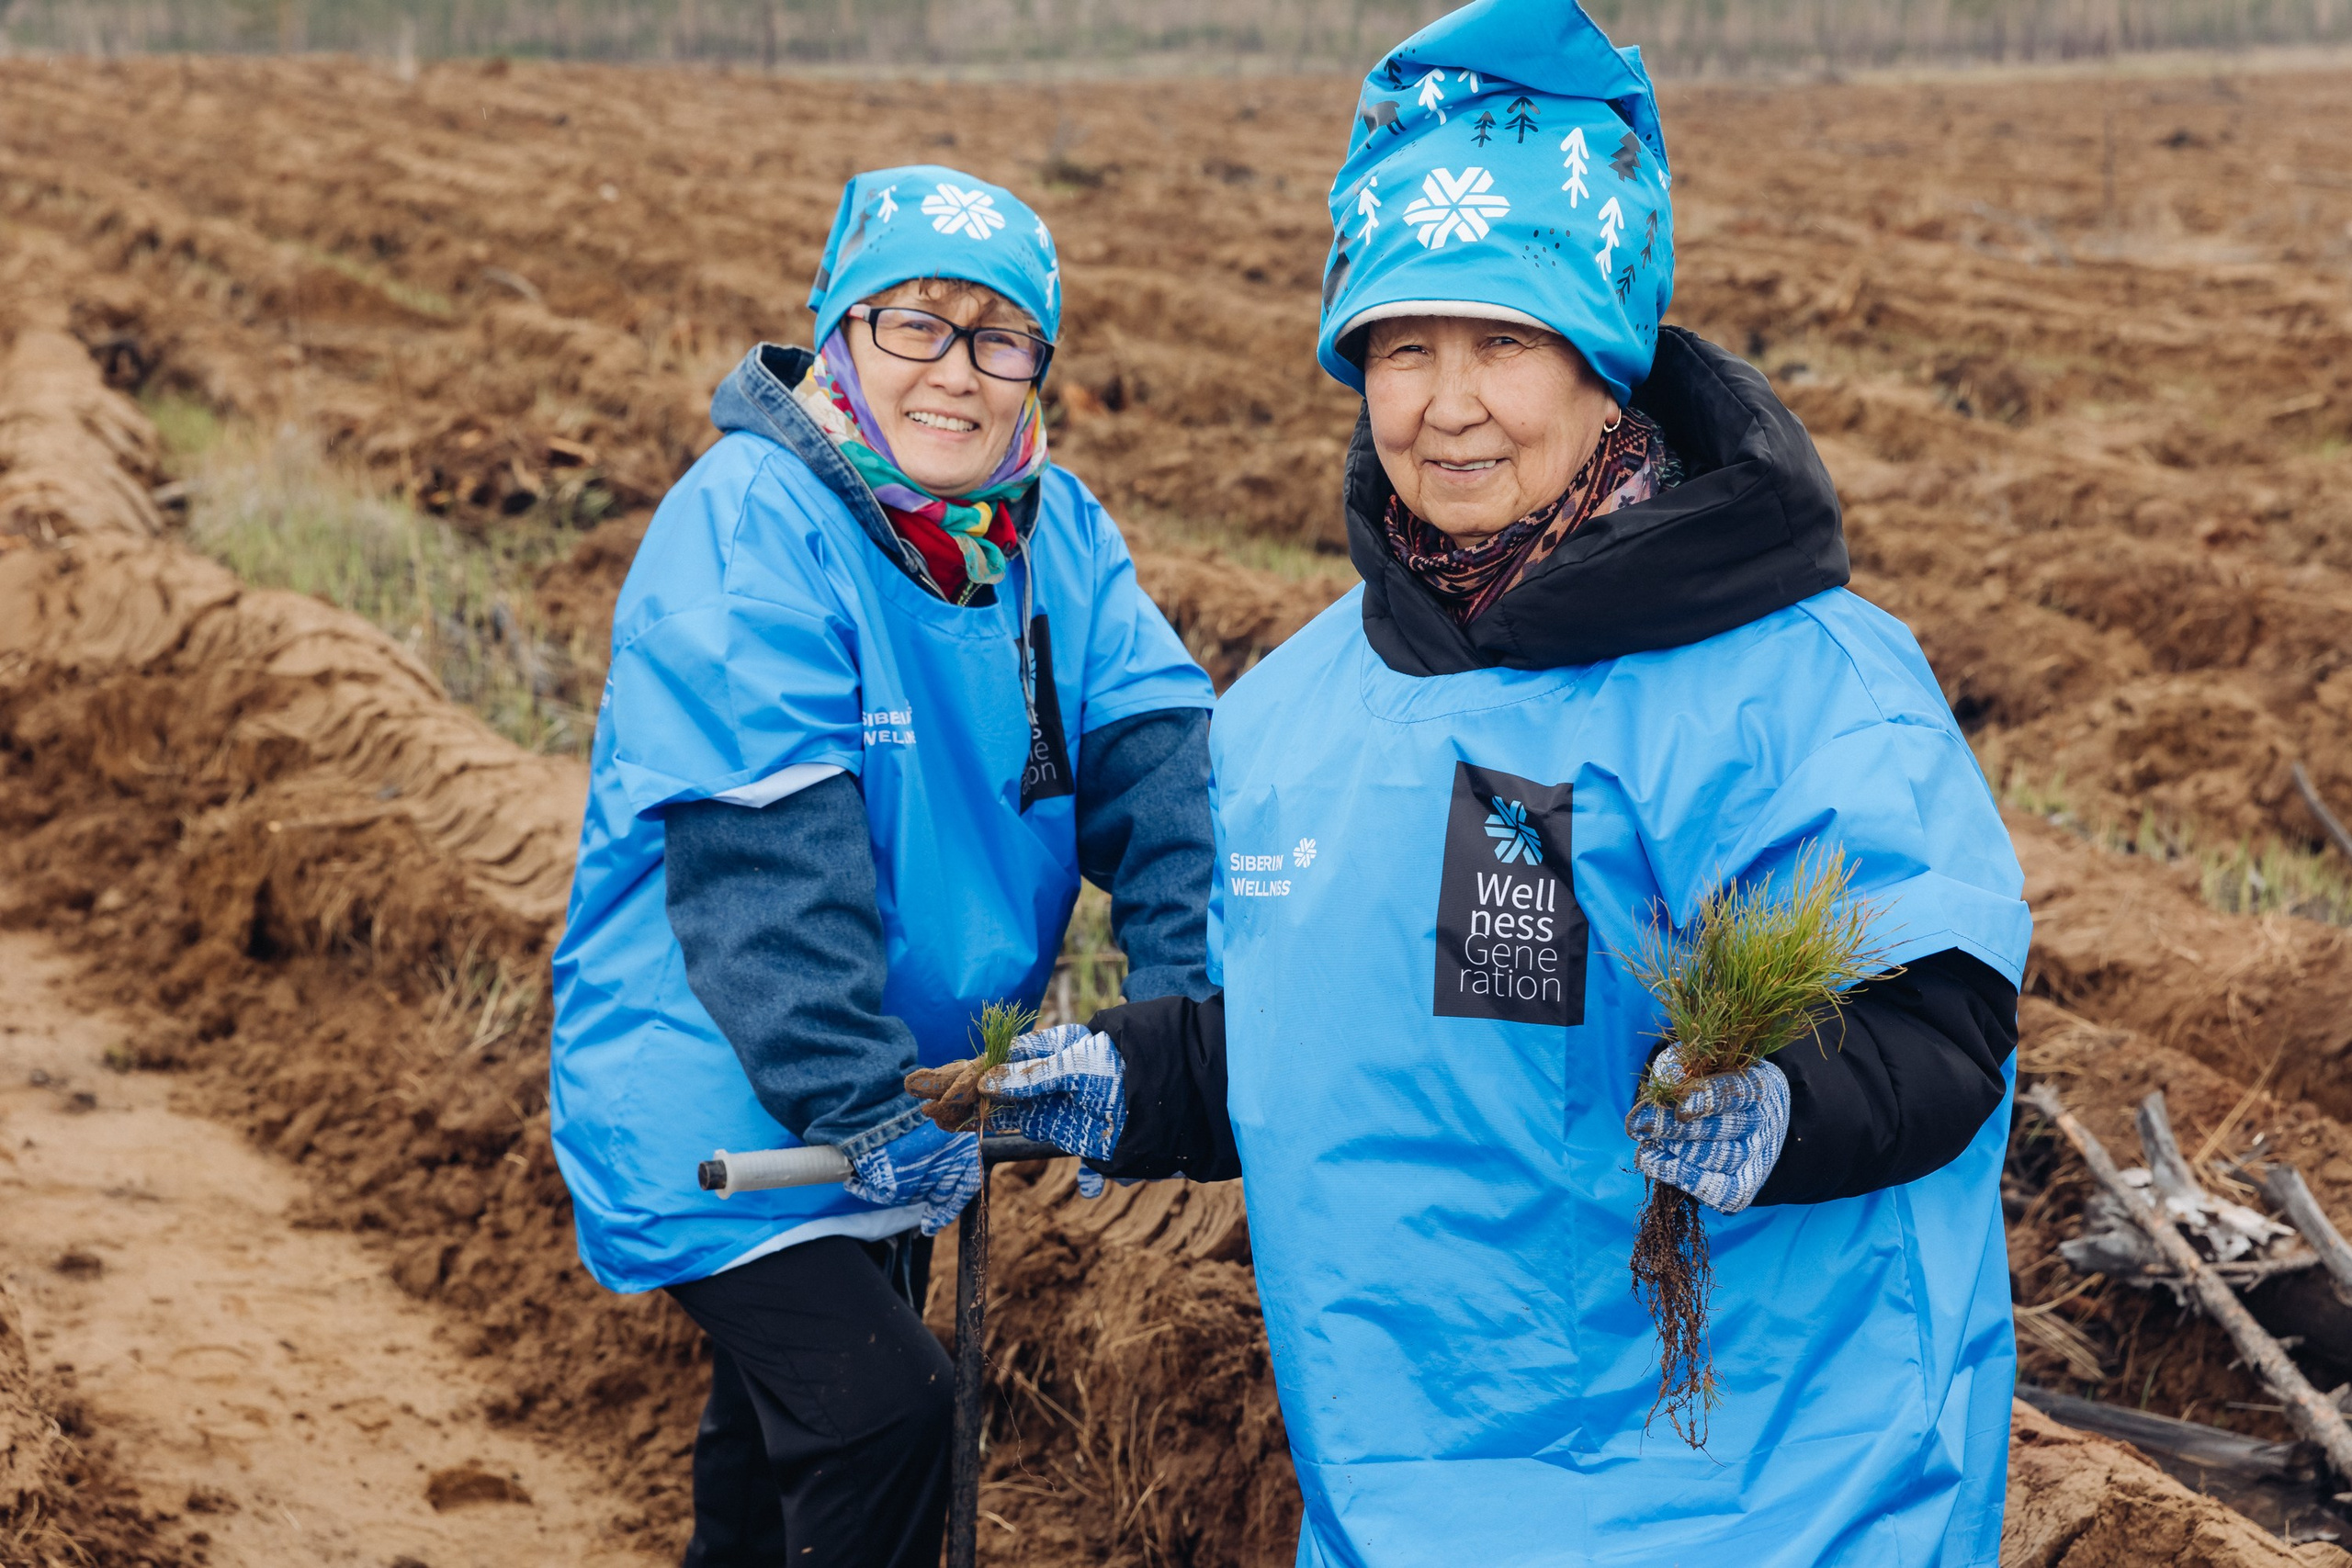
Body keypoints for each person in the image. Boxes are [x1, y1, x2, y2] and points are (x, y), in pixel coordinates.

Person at [910, 5, 2030, 1563]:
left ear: (1603, 361)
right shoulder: (1304, 711)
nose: (1448, 402)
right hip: (1409, 1482)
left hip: (1763, 1487)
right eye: (1403, 346)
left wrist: (1778, 1108)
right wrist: (1134, 1080)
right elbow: (1328, 1045)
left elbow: (1943, 1025)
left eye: (1503, 342)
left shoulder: (1787, 682)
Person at [548, 164, 1217, 1568]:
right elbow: (761, 864)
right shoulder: (752, 523)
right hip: (722, 1085)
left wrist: (1184, 1044)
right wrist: (857, 1109)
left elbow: (1168, 778)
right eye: (916, 325)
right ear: (842, 331)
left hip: (900, 1096)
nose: (958, 376)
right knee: (883, 1416)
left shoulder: (1057, 535)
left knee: (771, 1454)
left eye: (999, 338)